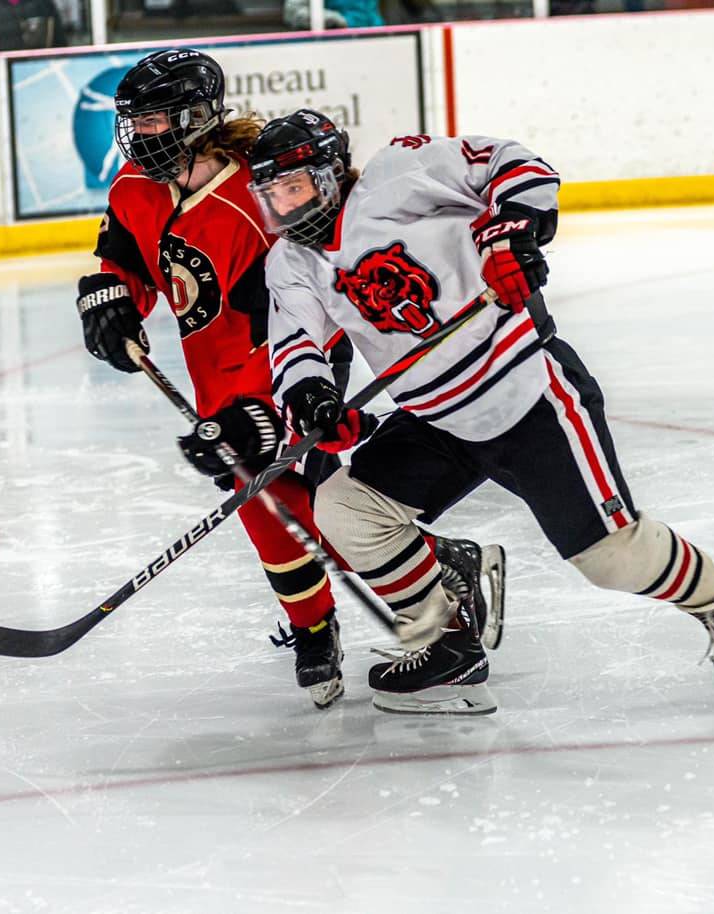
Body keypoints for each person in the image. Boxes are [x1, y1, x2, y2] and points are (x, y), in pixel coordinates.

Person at [247, 109, 714, 715]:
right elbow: (296, 345)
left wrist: (513, 232)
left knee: (611, 558)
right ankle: (447, 642)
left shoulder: (396, 174)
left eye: (295, 187)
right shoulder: (290, 262)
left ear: (332, 174)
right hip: (437, 418)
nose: (284, 205)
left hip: (527, 390)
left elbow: (510, 162)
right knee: (345, 507)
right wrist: (310, 395)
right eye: (272, 195)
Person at [74, 50, 504, 711]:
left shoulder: (259, 198)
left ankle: (438, 576)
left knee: (291, 496)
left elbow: (299, 313)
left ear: (194, 119)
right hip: (212, 373)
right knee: (261, 507)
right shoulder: (134, 186)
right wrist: (110, 299)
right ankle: (319, 623)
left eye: (154, 122)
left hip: (287, 369)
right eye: (133, 124)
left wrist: (259, 408)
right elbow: (124, 258)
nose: (138, 138)